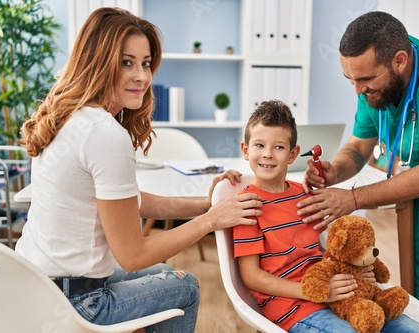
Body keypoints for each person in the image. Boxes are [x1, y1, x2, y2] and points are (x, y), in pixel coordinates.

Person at [15, 7, 262, 333]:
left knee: (162, 273)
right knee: (184, 287)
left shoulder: (66, 117)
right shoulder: (104, 134)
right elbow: (132, 256)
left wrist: (206, 203)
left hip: (32, 282)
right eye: (126, 63)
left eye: (146, 64)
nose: (142, 77)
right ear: (98, 62)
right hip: (77, 301)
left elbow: (128, 200)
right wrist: (211, 221)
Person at [296, 11, 419, 333]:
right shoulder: (372, 86)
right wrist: (334, 171)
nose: (357, 90)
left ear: (400, 60)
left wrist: (352, 199)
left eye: (365, 80)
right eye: (350, 80)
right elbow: (357, 147)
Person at [232, 100, 419, 332]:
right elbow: (251, 277)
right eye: (259, 145)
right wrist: (316, 292)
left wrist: (355, 268)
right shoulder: (247, 206)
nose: (267, 154)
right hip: (293, 308)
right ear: (246, 150)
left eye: (278, 147)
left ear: (293, 154)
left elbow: (322, 250)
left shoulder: (304, 195)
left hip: (340, 296)